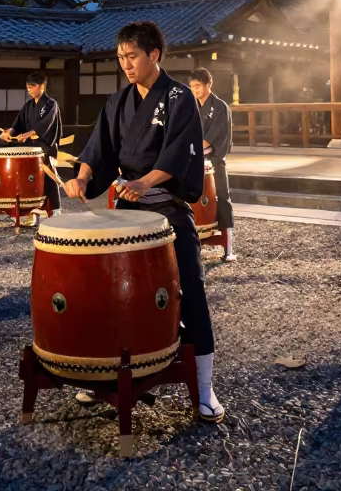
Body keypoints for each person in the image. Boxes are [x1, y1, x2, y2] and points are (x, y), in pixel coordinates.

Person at [63, 21, 225, 423]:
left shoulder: (179, 97)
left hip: (166, 208)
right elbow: (99, 148)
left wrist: (145, 180)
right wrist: (82, 177)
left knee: (190, 288)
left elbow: (177, 154)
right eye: (120, 58)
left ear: (154, 55)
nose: (125, 64)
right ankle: (106, 372)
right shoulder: (117, 102)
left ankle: (204, 387)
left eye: (131, 56)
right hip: (128, 213)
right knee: (114, 293)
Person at [0, 72, 62, 223]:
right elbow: (17, 125)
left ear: (42, 86)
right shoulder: (28, 106)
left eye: (32, 86)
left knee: (48, 177)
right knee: (29, 180)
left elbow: (45, 124)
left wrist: (28, 134)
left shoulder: (50, 104)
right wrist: (9, 134)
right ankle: (31, 212)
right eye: (28, 87)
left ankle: (55, 209)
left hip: (46, 147)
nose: (29, 90)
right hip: (30, 148)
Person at [189, 68, 236, 262]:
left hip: (214, 162)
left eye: (198, 86)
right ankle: (196, 240)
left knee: (221, 199)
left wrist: (193, 148)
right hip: (196, 160)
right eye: (192, 86)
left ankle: (228, 247)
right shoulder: (194, 106)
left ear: (208, 85)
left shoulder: (219, 106)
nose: (194, 90)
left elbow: (212, 137)